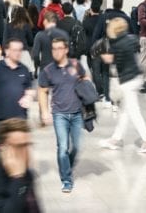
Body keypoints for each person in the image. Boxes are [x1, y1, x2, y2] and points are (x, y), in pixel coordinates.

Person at [38, 36, 87, 193]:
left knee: (77, 146)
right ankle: (66, 179)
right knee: (63, 147)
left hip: (77, 113)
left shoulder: (75, 65)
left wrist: (86, 91)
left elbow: (86, 78)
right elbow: (42, 91)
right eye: (54, 49)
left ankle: (66, 165)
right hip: (59, 114)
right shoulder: (48, 70)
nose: (56, 52)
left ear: (66, 50)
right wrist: (45, 112)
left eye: (60, 48)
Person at [98, 17, 146, 154]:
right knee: (125, 111)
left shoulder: (116, 44)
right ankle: (116, 139)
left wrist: (99, 53)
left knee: (133, 112)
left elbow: (110, 60)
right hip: (136, 77)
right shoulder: (131, 39)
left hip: (127, 81)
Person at [0, 118, 40, 212]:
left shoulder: (28, 175)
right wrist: (17, 178)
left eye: (28, 145)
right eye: (19, 146)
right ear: (2, 149)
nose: (26, 151)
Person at [0, 37, 34, 126]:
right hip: (0, 119)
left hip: (20, 119)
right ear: (7, 51)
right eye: (15, 50)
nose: (18, 53)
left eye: (20, 50)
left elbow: (29, 89)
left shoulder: (24, 69)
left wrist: (28, 97)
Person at [31, 11, 68, 77]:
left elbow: (35, 54)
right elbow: (69, 52)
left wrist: (39, 64)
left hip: (45, 68)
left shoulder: (39, 35)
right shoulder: (63, 34)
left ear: (45, 21)